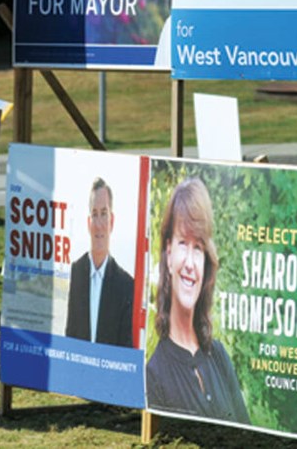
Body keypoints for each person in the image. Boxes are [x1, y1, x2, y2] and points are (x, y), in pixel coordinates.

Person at [146, 178, 249, 424]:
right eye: (184, 243)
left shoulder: (219, 355)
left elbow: (246, 431)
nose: (191, 263)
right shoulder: (154, 374)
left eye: (198, 247)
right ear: (168, 254)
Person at [65, 177, 134, 347]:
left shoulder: (125, 284)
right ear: (89, 223)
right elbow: (70, 334)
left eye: (104, 213)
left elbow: (125, 347)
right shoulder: (76, 272)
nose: (99, 223)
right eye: (94, 214)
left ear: (112, 221)